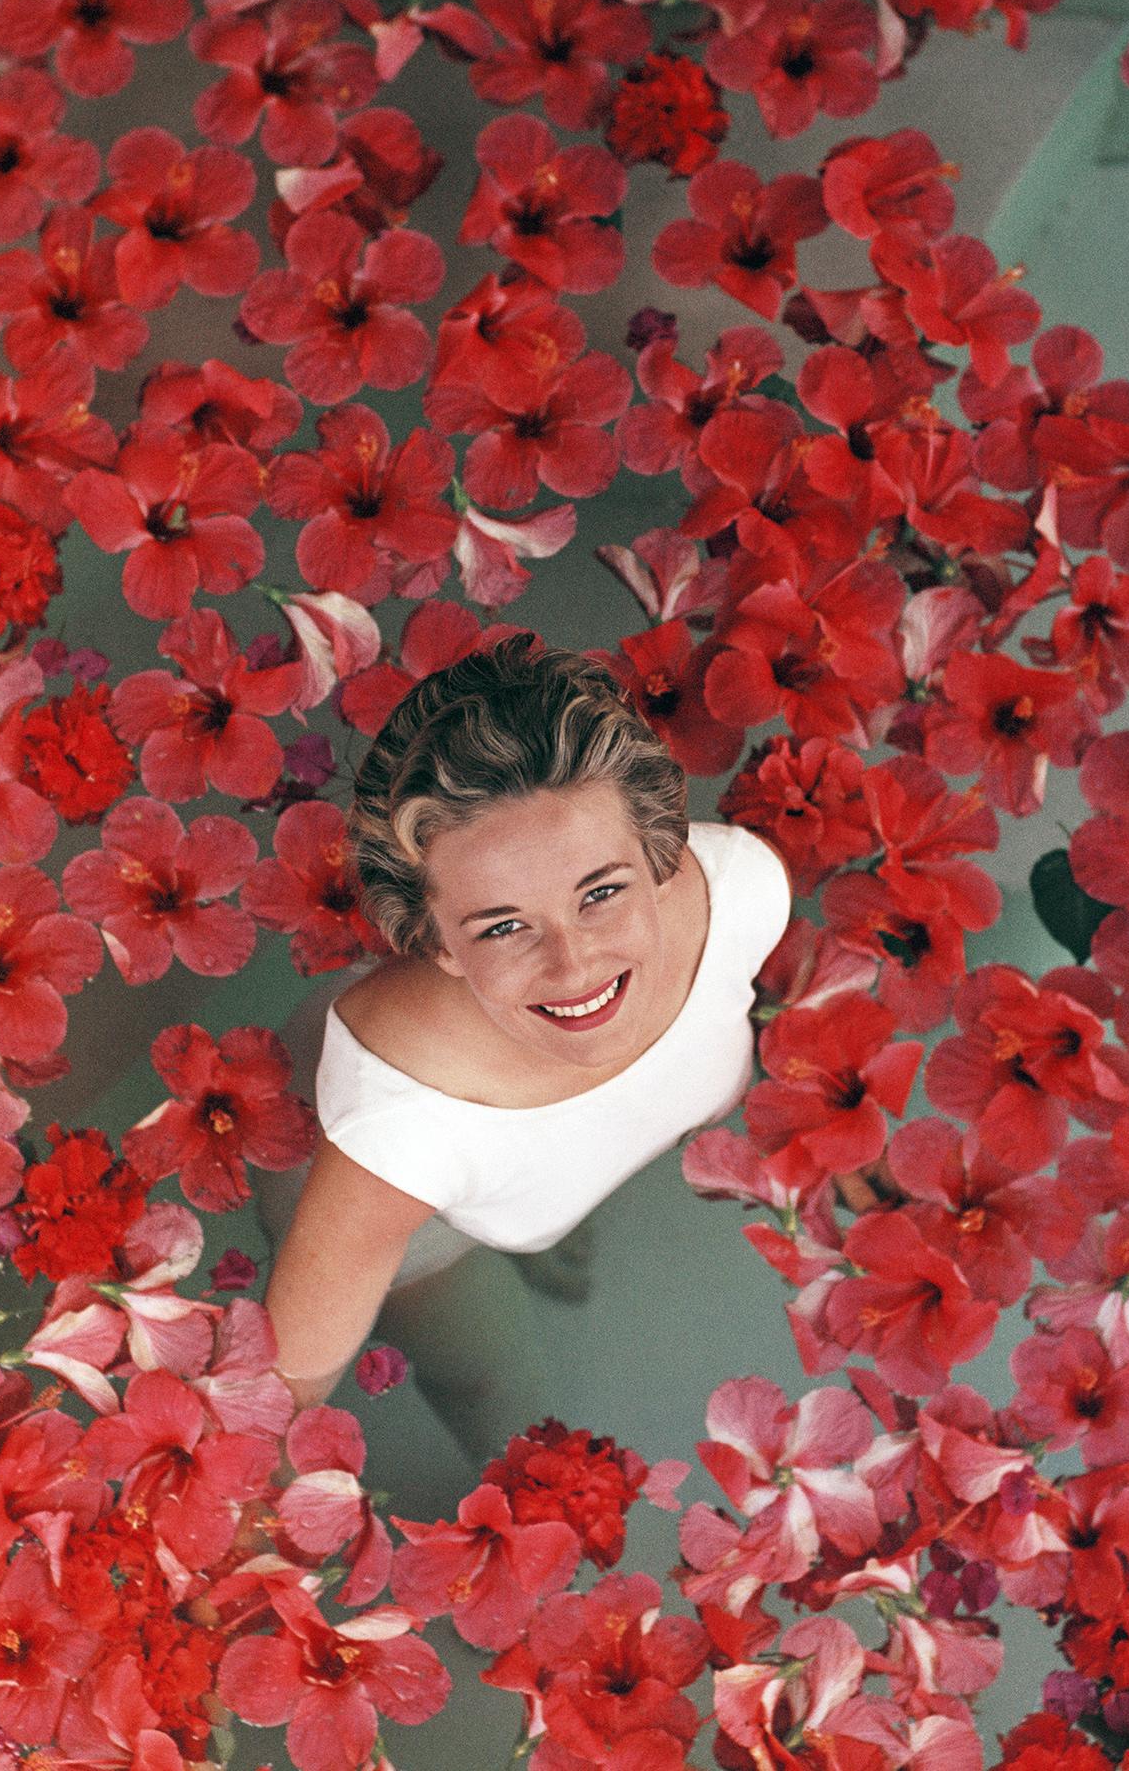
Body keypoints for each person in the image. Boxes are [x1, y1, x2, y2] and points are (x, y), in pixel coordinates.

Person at [257, 630, 795, 1472]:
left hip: (518, 1172)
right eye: (504, 925)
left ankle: (543, 1219)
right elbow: (274, 1406)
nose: (575, 965)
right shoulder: (396, 1136)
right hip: (406, 1206)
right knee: (488, 1386)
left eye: (602, 892)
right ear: (432, 941)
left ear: (660, 852)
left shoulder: (744, 892)